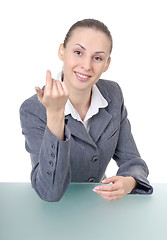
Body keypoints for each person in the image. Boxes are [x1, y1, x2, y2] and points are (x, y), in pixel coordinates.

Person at [20, 19, 153, 202]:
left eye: (97, 58)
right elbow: (49, 192)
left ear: (107, 64)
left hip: (97, 210)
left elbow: (132, 161)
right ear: (61, 51)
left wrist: (129, 182)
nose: (86, 65)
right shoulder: (33, 109)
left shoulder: (113, 95)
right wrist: (55, 115)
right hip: (54, 216)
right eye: (78, 52)